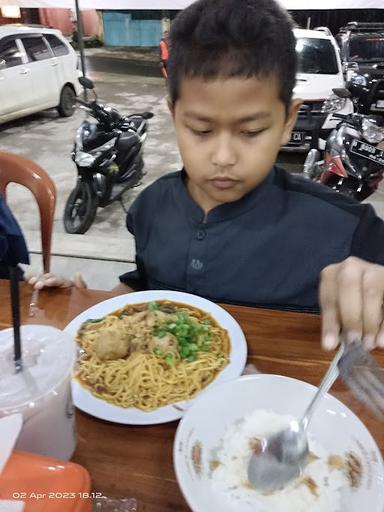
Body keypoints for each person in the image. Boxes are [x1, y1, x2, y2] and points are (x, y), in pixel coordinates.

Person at [29, 0, 384, 353]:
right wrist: (90, 305)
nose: (224, 158)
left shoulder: (347, 227)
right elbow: (145, 287)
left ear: (288, 121)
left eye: (251, 131)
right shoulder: (151, 207)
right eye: (200, 130)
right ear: (174, 115)